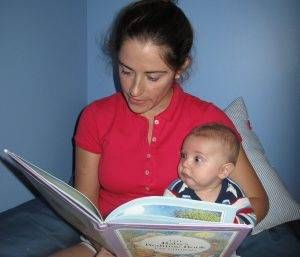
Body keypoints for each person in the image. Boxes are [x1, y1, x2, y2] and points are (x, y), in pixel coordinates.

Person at [49, 0, 268, 256]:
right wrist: (108, 243)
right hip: (109, 244)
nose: (134, 89)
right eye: (125, 70)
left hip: (189, 244)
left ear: (180, 67)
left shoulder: (210, 121)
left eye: (153, 77)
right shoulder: (95, 117)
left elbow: (258, 201)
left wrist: (210, 234)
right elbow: (86, 210)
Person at [164, 123, 257, 226]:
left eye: (197, 159)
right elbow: (163, 215)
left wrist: (228, 224)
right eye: (184, 155)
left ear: (223, 170)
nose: (185, 163)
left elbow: (249, 219)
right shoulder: (176, 190)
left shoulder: (233, 193)